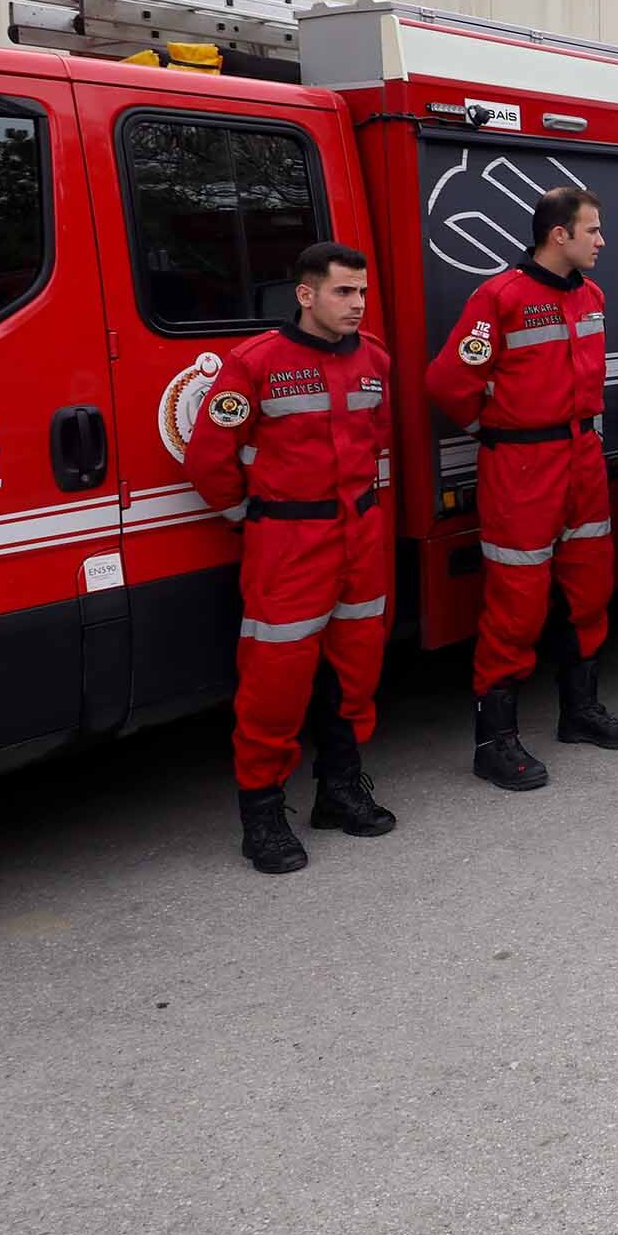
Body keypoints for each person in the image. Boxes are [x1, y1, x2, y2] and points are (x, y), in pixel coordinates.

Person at [184, 243, 398, 874]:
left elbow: (377, 441)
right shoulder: (256, 364)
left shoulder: (375, 361)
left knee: (356, 671)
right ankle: (263, 815)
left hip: (359, 537)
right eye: (343, 292)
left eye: (362, 292)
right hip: (288, 544)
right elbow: (209, 458)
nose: (357, 304)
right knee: (274, 682)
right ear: (305, 295)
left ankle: (339, 791)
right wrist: (246, 521)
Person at [425, 185, 618, 792]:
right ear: (558, 236)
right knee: (517, 601)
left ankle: (580, 712)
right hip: (521, 465)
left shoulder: (592, 295)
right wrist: (491, 428)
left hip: (581, 457)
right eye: (592, 231)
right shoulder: (500, 297)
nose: (601, 241)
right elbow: (446, 382)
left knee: (590, 585)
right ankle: (495, 741)